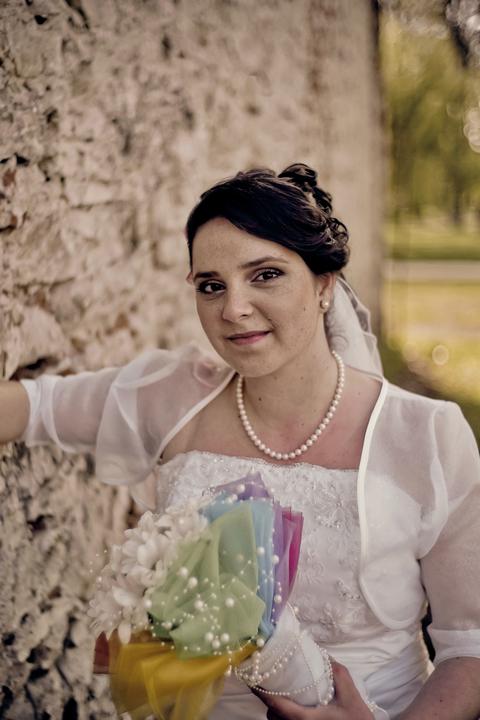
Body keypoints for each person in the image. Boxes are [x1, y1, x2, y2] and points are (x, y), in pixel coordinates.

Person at [2, 163, 480, 719]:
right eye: (211, 286)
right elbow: (35, 407)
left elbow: (469, 649)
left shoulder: (426, 434)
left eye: (265, 275)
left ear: (324, 284)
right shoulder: (172, 398)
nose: (233, 309)